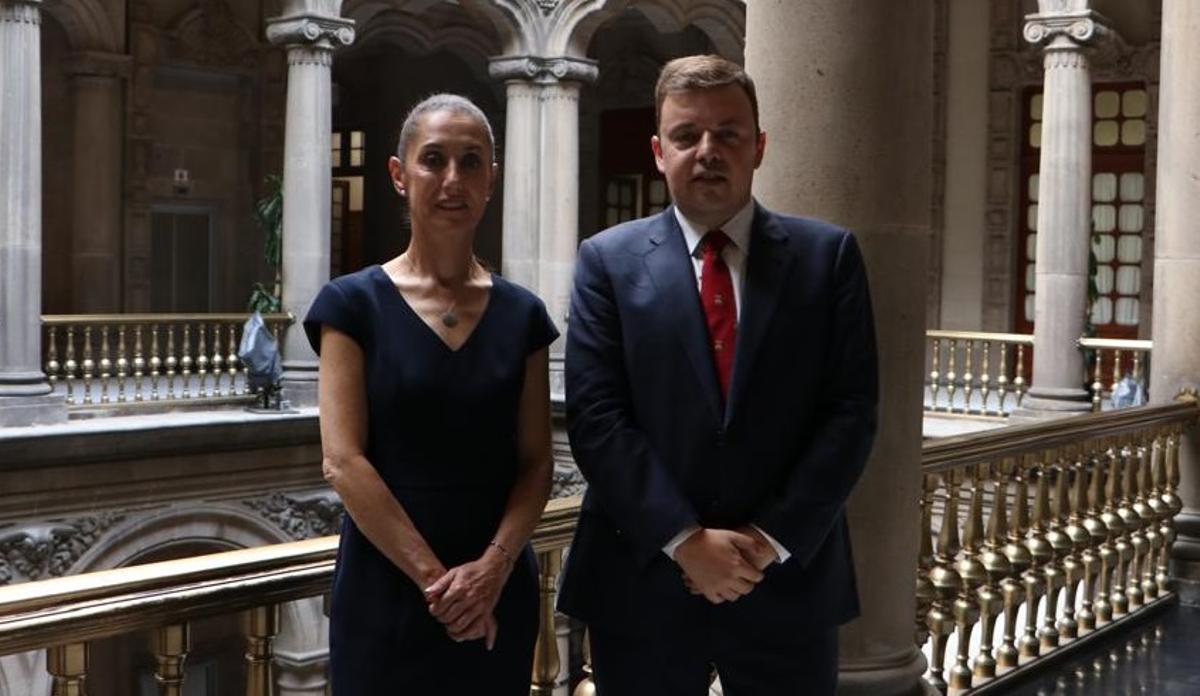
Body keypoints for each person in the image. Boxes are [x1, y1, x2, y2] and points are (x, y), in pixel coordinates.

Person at [558, 55, 879, 695]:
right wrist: (684, 541)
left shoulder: (828, 257)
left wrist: (765, 540)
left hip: (787, 580)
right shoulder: (606, 262)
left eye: (728, 133)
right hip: (642, 576)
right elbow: (597, 420)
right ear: (659, 150)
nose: (707, 151)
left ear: (758, 147)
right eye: (686, 135)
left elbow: (851, 413)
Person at [303, 93, 557, 694]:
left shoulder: (523, 315)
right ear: (399, 174)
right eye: (433, 159)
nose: (452, 179)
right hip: (388, 589)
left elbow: (537, 464)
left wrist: (490, 573)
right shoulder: (352, 304)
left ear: (491, 179)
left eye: (471, 163)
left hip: (496, 592)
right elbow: (342, 462)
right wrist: (441, 585)